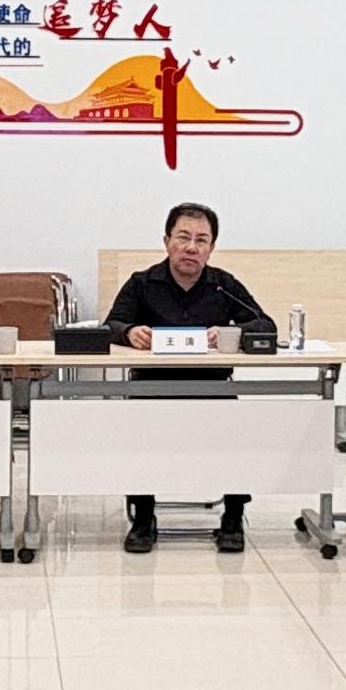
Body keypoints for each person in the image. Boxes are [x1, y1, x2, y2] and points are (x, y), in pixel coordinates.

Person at [102, 201, 270, 554]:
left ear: (211, 247)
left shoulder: (224, 285)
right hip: (152, 388)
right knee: (137, 433)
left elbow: (264, 325)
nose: (191, 247)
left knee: (238, 432)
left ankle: (233, 517)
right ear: (167, 241)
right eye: (183, 237)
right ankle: (143, 518)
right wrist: (129, 332)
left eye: (201, 240)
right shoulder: (142, 283)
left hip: (212, 387)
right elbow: (110, 325)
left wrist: (232, 332)